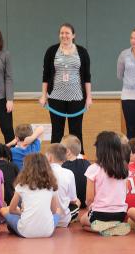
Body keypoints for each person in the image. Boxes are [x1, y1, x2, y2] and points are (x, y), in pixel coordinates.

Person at [39, 23, 92, 154]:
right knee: (57, 131)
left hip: (77, 97)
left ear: (73, 35)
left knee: (76, 131)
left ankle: (78, 159)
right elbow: (45, 76)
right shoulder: (52, 51)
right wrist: (43, 95)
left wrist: (89, 97)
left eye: (67, 33)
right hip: (56, 97)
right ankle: (55, 160)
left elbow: (87, 77)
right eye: (62, 33)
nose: (64, 35)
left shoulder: (82, 52)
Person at [79, 131, 130, 236]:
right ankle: (113, 227)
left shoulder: (93, 168)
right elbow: (125, 191)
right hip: (120, 214)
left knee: (83, 221)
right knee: (91, 221)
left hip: (99, 214)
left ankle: (104, 229)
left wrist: (90, 208)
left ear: (99, 149)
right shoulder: (124, 168)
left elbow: (89, 198)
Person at [0, 153, 60, 238]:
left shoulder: (21, 185)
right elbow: (54, 211)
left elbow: (11, 210)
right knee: (58, 210)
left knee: (3, 210)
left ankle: (14, 226)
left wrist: (22, 212)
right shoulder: (51, 185)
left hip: (25, 231)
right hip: (47, 231)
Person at [46, 143, 80, 227]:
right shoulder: (69, 173)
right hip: (63, 220)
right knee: (77, 201)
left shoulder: (40, 172)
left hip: (44, 219)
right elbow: (73, 200)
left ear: (49, 157)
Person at [60, 135, 91, 208]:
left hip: (71, 204)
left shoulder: (63, 167)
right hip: (85, 203)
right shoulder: (87, 163)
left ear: (67, 152)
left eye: (60, 149)